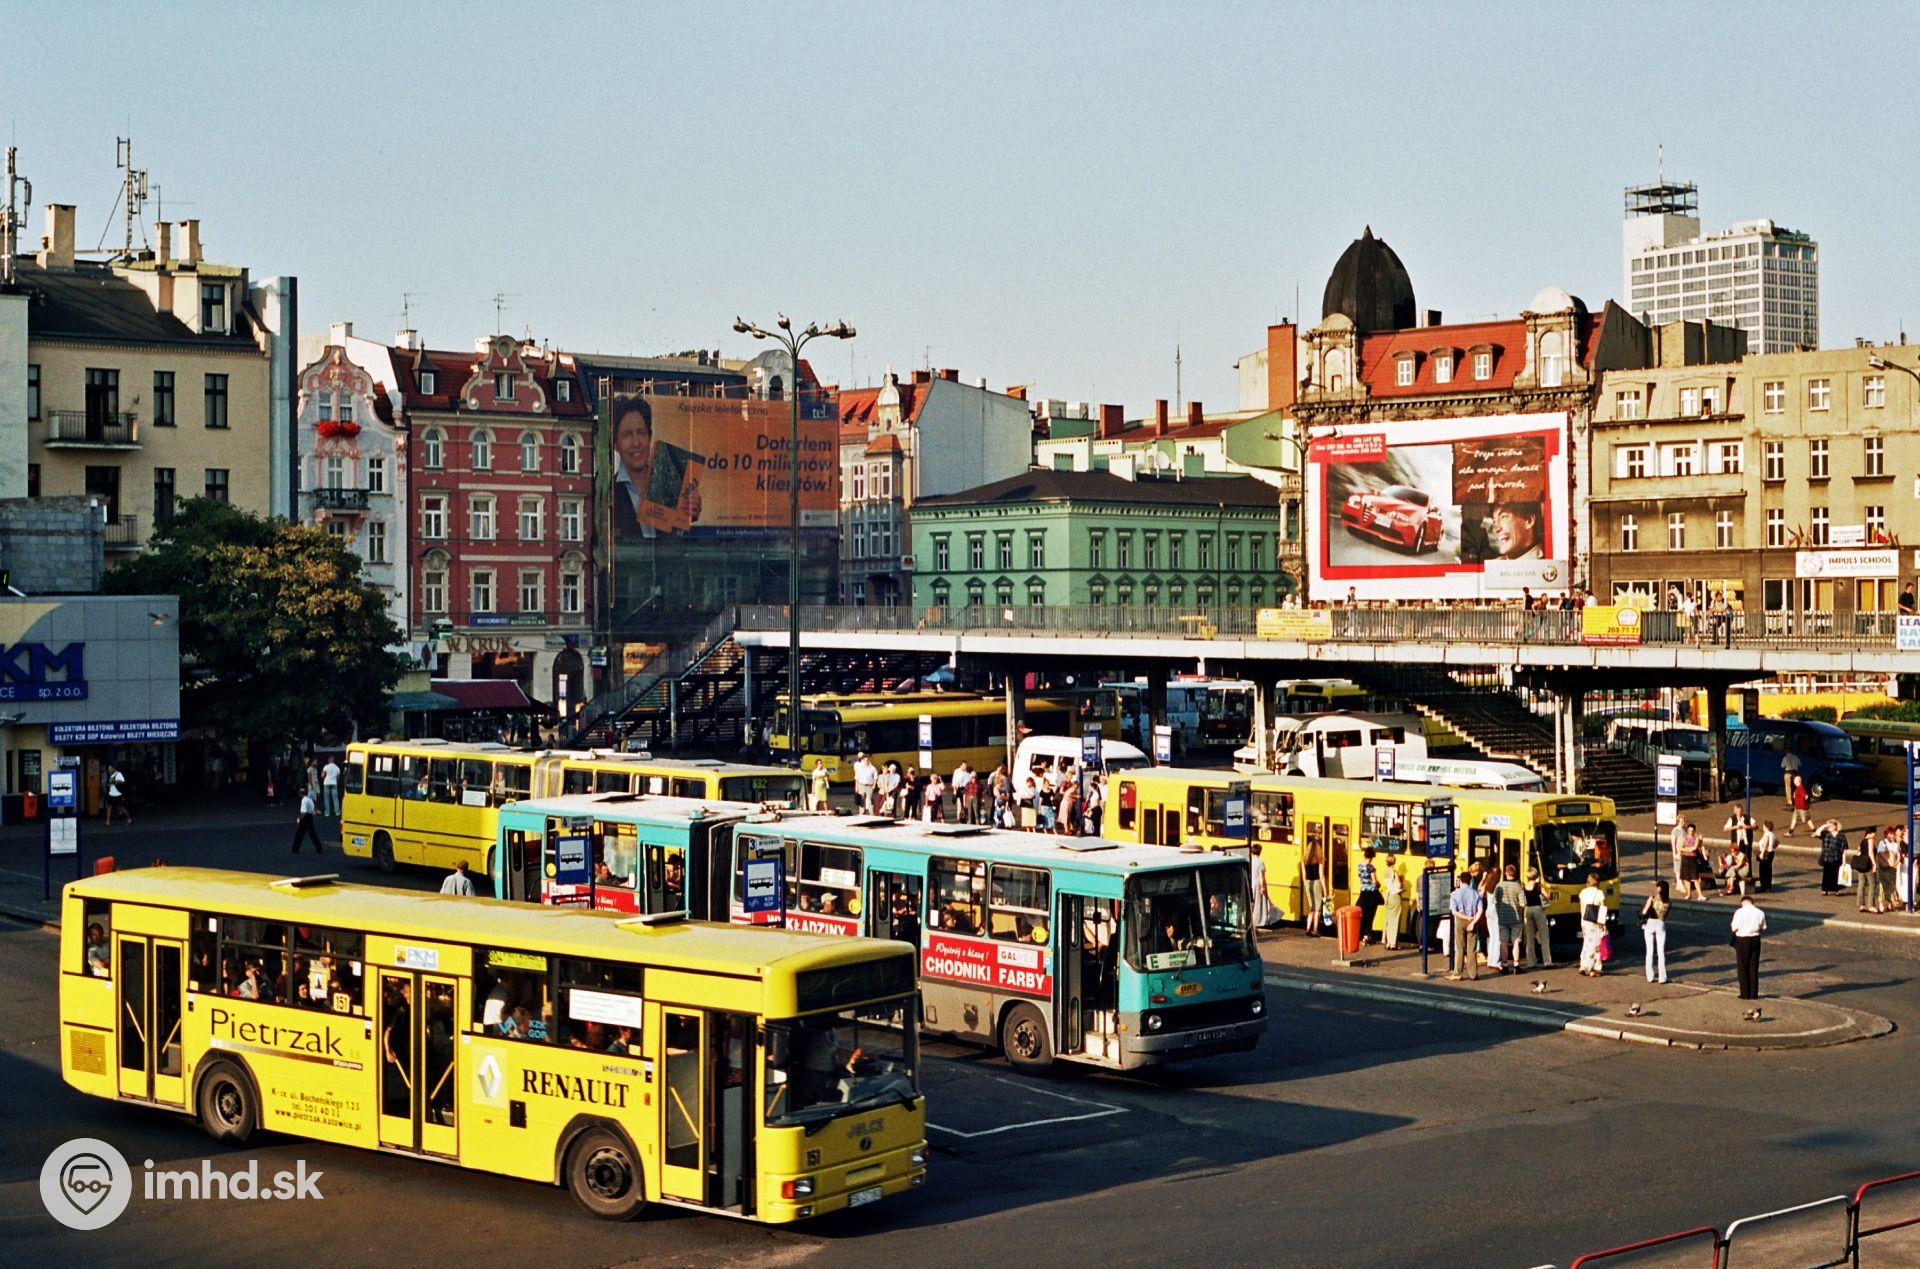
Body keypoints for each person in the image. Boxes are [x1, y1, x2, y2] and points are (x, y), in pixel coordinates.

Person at [1446, 871, 1483, 981]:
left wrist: (1465, 917)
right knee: (1472, 949)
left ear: (1461, 881)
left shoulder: (1455, 894)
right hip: (1472, 920)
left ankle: (1457, 972)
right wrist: (1472, 921)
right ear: (1470, 880)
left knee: (1459, 947)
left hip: (1460, 920)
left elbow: (1454, 911)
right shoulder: (1476, 893)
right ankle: (1473, 974)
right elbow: (1480, 910)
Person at [1730, 895, 1767, 1000]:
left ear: (1742, 902)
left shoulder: (1739, 912)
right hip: (1755, 939)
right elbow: (1763, 927)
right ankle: (1753, 994)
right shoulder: (1760, 912)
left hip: (1742, 940)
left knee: (1742, 967)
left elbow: (1734, 928)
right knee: (1754, 967)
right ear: (1752, 902)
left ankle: (1744, 993)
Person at [1495, 864, 1526, 972]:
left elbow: (1496, 902)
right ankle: (1516, 965)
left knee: (1503, 942)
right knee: (1516, 942)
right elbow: (1522, 904)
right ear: (1515, 873)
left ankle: (1504, 965)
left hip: (1503, 918)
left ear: (1506, 873)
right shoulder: (1518, 886)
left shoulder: (1499, 886)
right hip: (1516, 919)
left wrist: (1499, 913)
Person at [1577, 872, 1609, 977]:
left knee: (1586, 943)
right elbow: (1602, 909)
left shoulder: (1583, 892)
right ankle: (1593, 968)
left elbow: (1582, 909)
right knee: (1597, 945)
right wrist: (1603, 924)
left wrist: (1583, 920)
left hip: (1585, 921)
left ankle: (1583, 965)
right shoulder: (1599, 893)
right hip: (1595, 922)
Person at [1641, 880, 1672, 984]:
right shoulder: (1669, 902)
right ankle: (1662, 977)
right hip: (1661, 924)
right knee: (1661, 952)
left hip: (1650, 923)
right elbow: (1666, 915)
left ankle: (1650, 976)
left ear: (1659, 888)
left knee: (1649, 951)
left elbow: (1644, 912)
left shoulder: (1653, 898)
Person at [1521, 869, 1553, 968]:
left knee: (1530, 937)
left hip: (1528, 910)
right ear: (1536, 875)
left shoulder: (1524, 887)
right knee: (1544, 935)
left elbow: (1523, 901)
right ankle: (1547, 962)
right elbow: (1546, 897)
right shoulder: (1538, 886)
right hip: (1538, 909)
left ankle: (1531, 962)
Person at [1355, 848, 1383, 945]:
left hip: (1363, 892)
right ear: (1372, 857)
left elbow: (1361, 877)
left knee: (1364, 914)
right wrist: (1379, 885)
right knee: (1370, 915)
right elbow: (1375, 881)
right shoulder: (1371, 867)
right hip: (1371, 893)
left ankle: (1365, 935)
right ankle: (1367, 936)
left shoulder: (1359, 865)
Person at [1249, 844, 1280, 930]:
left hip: (1250, 882)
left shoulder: (1249, 860)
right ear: (1260, 852)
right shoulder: (1260, 862)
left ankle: (1251, 920)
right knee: (1259, 903)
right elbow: (1262, 876)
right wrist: (1263, 887)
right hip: (1257, 884)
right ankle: (1258, 921)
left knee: (1251, 903)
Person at [1815, 817, 1846, 895]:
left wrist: (1844, 860)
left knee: (1836, 874)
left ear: (1836, 826)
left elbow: (1843, 848)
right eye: (1828, 826)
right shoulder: (1825, 834)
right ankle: (1825, 889)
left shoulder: (1841, 836)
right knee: (1826, 874)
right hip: (1826, 856)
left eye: (1831, 826)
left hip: (1837, 857)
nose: (1829, 827)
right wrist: (1824, 825)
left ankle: (1837, 890)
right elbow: (1817, 833)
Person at [1854, 828, 1882, 913]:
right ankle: (1870, 905)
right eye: (1874, 833)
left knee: (1861, 883)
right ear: (1871, 832)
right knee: (1872, 884)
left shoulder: (1863, 841)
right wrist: (1874, 863)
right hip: (1868, 864)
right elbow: (1870, 853)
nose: (1875, 835)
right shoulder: (1871, 840)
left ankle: (1861, 905)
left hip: (1861, 864)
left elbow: (1858, 851)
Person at [1380, 856, 1405, 949]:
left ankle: (1389, 943)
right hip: (1395, 897)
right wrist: (1401, 880)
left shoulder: (1385, 872)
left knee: (1389, 920)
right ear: (1394, 862)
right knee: (1395, 920)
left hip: (1388, 896)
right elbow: (1399, 886)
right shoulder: (1395, 872)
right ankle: (1393, 944)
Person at [1302, 841, 1326, 936]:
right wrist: (1325, 889)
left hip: (1308, 883)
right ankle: (1315, 930)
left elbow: (1304, 875)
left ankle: (1308, 929)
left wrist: (1305, 885)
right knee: (1317, 909)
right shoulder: (1320, 859)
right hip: (1317, 882)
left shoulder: (1304, 860)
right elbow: (1321, 875)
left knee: (1311, 907)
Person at [291, 788, 324, 855]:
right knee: (313, 834)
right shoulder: (309, 799)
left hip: (305, 818)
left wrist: (299, 819)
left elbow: (303, 812)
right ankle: (319, 848)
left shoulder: (304, 800)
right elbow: (313, 810)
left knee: (299, 834)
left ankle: (295, 849)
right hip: (310, 817)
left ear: (300, 794)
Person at [1755, 819, 1778, 894]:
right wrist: (1773, 847)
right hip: (1771, 852)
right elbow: (1777, 842)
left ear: (1766, 827)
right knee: (1769, 870)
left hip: (1765, 853)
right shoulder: (1773, 834)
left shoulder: (1766, 834)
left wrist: (1762, 853)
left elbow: (1766, 843)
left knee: (1763, 870)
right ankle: (1768, 886)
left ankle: (1764, 887)